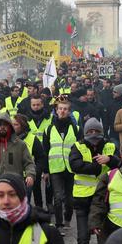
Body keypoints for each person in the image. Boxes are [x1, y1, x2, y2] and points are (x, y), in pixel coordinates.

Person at [69, 118, 120, 244]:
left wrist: (110, 159)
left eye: (96, 131)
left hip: (104, 201)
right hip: (82, 201)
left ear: (101, 132)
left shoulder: (110, 146)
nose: (93, 134)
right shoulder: (78, 146)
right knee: (83, 241)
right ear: (85, 133)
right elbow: (75, 166)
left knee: (102, 241)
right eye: (90, 132)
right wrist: (99, 166)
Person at [42, 96, 82, 232]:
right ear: (56, 110)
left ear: (69, 111)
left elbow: (81, 148)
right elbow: (45, 151)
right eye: (60, 109)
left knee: (70, 200)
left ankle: (67, 219)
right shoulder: (48, 129)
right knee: (58, 197)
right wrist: (45, 171)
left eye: (65, 109)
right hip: (55, 168)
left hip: (71, 168)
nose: (62, 111)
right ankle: (59, 224)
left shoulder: (76, 129)